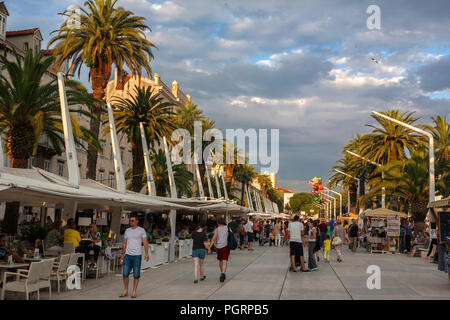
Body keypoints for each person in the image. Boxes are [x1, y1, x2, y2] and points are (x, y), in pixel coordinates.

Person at [119, 215, 149, 298]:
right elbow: (124, 243)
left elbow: (145, 242)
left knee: (136, 275)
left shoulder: (141, 230)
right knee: (125, 274)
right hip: (127, 256)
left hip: (137, 256)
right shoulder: (127, 231)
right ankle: (125, 290)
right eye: (130, 221)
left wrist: (146, 253)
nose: (131, 222)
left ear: (137, 221)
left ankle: (134, 291)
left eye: (132, 221)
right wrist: (122, 255)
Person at [210, 218, 230, 282]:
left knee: (220, 261)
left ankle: (222, 273)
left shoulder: (217, 229)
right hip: (226, 246)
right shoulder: (227, 228)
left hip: (219, 247)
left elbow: (213, 238)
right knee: (225, 261)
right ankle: (223, 274)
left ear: (218, 223)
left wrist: (210, 246)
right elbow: (231, 235)